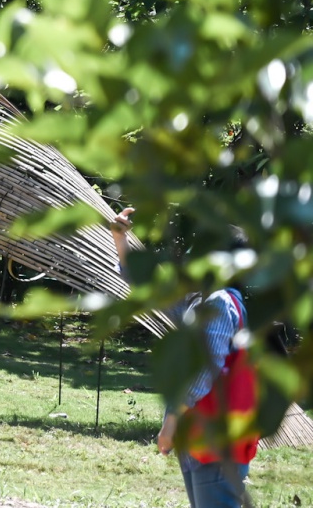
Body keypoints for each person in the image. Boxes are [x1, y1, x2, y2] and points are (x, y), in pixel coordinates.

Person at [110, 207, 259, 508]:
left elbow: (204, 371)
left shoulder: (218, 304)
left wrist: (170, 424)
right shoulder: (202, 302)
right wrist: (120, 240)